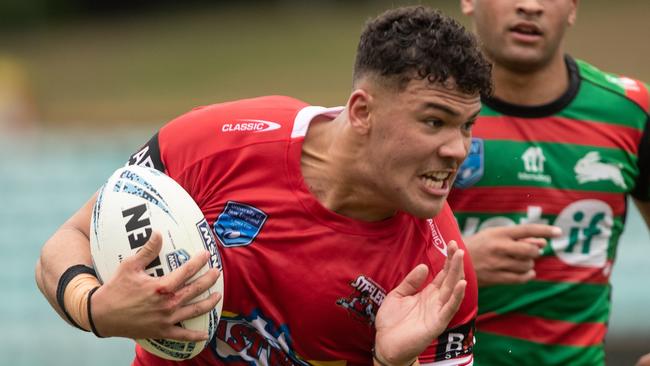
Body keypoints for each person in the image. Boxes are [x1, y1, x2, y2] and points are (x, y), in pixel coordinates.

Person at [35, 6, 493, 366]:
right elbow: (68, 240)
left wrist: (393, 363)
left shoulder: (439, 276)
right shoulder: (219, 141)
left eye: (467, 126)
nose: (458, 150)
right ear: (361, 112)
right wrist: (94, 308)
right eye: (435, 121)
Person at [448, 1, 650, 365]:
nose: (530, 5)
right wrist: (455, 266)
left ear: (573, 7)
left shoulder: (631, 112)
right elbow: (361, 265)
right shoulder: (427, 111)